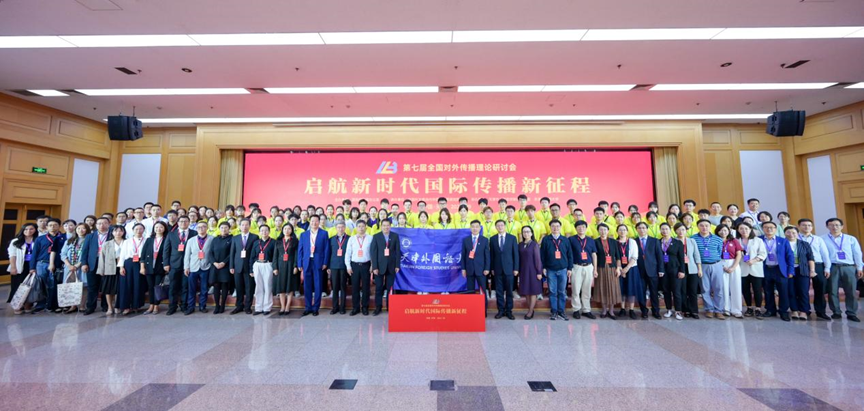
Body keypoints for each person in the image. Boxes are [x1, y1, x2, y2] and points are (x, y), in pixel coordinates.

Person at [822, 218, 863, 322]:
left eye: (837, 225)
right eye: (831, 225)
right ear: (827, 226)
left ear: (842, 226)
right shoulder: (822, 239)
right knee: (832, 290)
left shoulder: (850, 239)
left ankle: (851, 313)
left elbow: (857, 253)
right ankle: (836, 312)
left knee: (851, 291)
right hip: (832, 267)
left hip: (848, 267)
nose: (834, 227)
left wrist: (859, 267)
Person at [797, 218, 832, 320]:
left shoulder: (818, 239)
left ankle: (820, 311)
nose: (806, 227)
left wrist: (827, 268)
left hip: (818, 265)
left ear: (812, 227)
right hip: (801, 265)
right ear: (799, 226)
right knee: (802, 289)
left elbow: (825, 254)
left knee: (820, 288)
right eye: (804, 225)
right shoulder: (796, 238)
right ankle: (805, 310)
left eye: (809, 225)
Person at [761, 221, 795, 322]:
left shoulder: (783, 241)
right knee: (768, 291)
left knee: (783, 291)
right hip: (765, 268)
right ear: (763, 229)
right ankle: (770, 310)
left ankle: (783, 311)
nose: (769, 229)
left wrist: (790, 270)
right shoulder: (759, 240)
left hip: (780, 269)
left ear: (776, 229)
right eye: (766, 227)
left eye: (771, 227)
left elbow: (790, 256)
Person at [298, 215, 330, 316]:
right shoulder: (304, 234)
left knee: (318, 285)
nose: (314, 223)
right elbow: (300, 250)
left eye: (316, 221)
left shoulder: (324, 233)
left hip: (318, 262)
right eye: (312, 221)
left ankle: (316, 307)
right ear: (310, 222)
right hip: (307, 262)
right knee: (307, 285)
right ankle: (308, 307)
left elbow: (327, 249)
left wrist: (325, 262)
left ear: (319, 222)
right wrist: (299, 263)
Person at [693, 219, 725, 319]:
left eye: (706, 225)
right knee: (705, 288)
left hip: (716, 264)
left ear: (710, 227)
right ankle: (709, 309)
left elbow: (719, 252)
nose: (704, 228)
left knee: (718, 288)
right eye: (701, 225)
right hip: (702, 266)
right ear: (698, 227)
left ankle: (719, 310)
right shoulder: (693, 239)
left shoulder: (718, 239)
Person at [29, 217, 63, 313]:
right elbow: (34, 253)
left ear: (59, 226)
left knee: (54, 285)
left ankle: (52, 305)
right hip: (41, 264)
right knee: (41, 285)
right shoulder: (40, 239)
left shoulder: (63, 238)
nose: (53, 227)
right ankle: (41, 304)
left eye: (55, 225)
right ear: (47, 227)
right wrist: (32, 267)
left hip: (57, 264)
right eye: (50, 225)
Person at [163, 216, 195, 315]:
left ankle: (184, 305)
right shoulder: (171, 234)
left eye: (186, 221)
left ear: (189, 222)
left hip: (188, 264)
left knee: (185, 286)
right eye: (181, 221)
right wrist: (166, 263)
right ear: (178, 223)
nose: (183, 223)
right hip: (174, 264)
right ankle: (172, 306)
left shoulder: (194, 233)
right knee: (173, 286)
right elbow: (166, 249)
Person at [371, 219, 401, 316]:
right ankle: (378, 307)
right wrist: (374, 267)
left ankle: (390, 307)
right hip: (379, 267)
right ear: (381, 226)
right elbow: (373, 253)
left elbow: (398, 252)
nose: (386, 227)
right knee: (379, 288)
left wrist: (397, 265)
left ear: (390, 226)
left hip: (391, 266)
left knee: (390, 288)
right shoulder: (376, 236)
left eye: (387, 225)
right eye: (384, 225)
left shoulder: (395, 236)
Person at [635, 221, 664, 319]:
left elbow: (659, 256)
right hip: (639, 271)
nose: (642, 230)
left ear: (647, 229)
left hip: (653, 270)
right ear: (636, 229)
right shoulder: (634, 241)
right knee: (641, 292)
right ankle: (644, 311)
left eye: (644, 228)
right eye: (639, 228)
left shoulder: (655, 241)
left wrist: (661, 269)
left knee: (654, 292)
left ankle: (656, 311)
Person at [80, 217, 110, 315]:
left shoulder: (112, 235)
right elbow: (84, 251)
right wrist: (84, 263)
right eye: (99, 223)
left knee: (105, 285)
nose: (102, 225)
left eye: (104, 223)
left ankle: (105, 305)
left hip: (107, 262)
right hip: (92, 263)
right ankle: (90, 307)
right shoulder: (90, 236)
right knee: (92, 286)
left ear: (108, 224)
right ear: (96, 225)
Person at [784, 226, 815, 320]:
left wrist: (812, 270)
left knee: (803, 291)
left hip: (802, 270)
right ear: (785, 234)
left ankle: (803, 311)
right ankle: (794, 310)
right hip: (788, 270)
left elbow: (810, 258)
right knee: (791, 291)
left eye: (793, 232)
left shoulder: (804, 244)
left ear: (797, 234)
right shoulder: (782, 243)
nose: (791, 234)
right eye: (788, 232)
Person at [737, 222, 767, 318]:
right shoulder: (736, 241)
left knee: (757, 289)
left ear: (750, 229)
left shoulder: (758, 240)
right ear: (738, 230)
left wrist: (754, 260)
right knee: (745, 290)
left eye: (746, 228)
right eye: (741, 228)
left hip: (756, 268)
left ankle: (758, 308)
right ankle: (749, 308)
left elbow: (763, 253)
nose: (744, 230)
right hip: (742, 269)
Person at [490, 220, 519, 320]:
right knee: (499, 291)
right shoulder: (492, 239)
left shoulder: (512, 238)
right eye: (498, 225)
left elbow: (515, 254)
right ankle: (501, 310)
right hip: (497, 269)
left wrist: (516, 268)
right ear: (496, 227)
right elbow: (492, 255)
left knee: (509, 291)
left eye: (502, 225)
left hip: (510, 269)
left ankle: (509, 311)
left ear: (505, 226)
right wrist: (492, 268)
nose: (500, 227)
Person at [569, 220, 597, 319]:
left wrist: (595, 269)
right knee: (576, 289)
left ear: (586, 228)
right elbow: (569, 254)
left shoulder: (591, 240)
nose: (581, 229)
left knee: (587, 290)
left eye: (583, 227)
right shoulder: (571, 239)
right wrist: (569, 268)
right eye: (579, 227)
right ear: (576, 228)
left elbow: (594, 254)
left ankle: (586, 310)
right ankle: (576, 309)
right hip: (576, 266)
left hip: (589, 267)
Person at [229, 218, 258, 315]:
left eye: (246, 225)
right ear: (239, 226)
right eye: (242, 225)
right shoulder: (235, 238)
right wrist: (231, 266)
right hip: (237, 266)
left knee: (249, 288)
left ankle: (248, 307)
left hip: (249, 266)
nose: (244, 227)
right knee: (238, 287)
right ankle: (239, 306)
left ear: (249, 226)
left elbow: (255, 253)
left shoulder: (255, 237)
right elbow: (232, 253)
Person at [59, 222, 89, 314]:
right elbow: (63, 254)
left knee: (83, 286)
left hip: (82, 267)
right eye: (78, 228)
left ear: (87, 230)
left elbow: (88, 255)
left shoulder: (89, 240)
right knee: (71, 286)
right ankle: (73, 306)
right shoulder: (69, 240)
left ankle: (82, 305)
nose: (80, 230)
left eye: (83, 228)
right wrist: (69, 265)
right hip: (69, 267)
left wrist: (77, 265)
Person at [6, 223, 37, 314]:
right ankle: (17, 306)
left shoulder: (37, 239)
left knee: (31, 286)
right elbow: (12, 255)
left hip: (32, 265)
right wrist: (13, 267)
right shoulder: (16, 241)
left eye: (31, 229)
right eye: (26, 229)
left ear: (35, 230)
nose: (28, 231)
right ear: (22, 230)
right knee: (17, 286)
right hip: (19, 265)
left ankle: (28, 305)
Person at [184, 222, 214, 315]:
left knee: (204, 288)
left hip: (206, 267)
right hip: (193, 267)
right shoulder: (191, 240)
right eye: (199, 227)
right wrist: (186, 267)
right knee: (191, 288)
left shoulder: (212, 239)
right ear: (196, 229)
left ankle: (202, 306)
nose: (201, 228)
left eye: (204, 227)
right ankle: (191, 307)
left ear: (207, 228)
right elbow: (187, 255)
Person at [461, 220, 490, 315]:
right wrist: (463, 268)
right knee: (470, 290)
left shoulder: (484, 240)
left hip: (481, 270)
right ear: (470, 228)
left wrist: (487, 268)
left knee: (482, 291)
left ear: (480, 228)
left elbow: (487, 255)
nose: (475, 228)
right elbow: (463, 255)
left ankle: (483, 311)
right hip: (469, 269)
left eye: (477, 226)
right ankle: (471, 311)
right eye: (473, 226)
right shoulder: (466, 240)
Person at [593, 224, 622, 319]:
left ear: (608, 231)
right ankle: (604, 310)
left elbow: (618, 256)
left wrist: (618, 268)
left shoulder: (614, 242)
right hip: (601, 267)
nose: (603, 231)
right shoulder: (595, 242)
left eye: (605, 229)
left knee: (612, 288)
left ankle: (611, 311)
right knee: (602, 288)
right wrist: (595, 269)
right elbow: (594, 256)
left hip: (612, 268)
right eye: (601, 230)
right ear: (598, 231)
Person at [117, 223, 147, 315]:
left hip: (141, 263)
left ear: (143, 230)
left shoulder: (146, 240)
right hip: (128, 263)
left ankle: (136, 306)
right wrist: (121, 267)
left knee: (138, 285)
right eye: (136, 229)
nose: (138, 231)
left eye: (141, 229)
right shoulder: (127, 241)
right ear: (133, 230)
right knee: (126, 285)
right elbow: (122, 255)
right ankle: (125, 306)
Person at [97, 225, 126, 315]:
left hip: (123, 268)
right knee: (108, 289)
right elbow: (102, 258)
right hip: (109, 268)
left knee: (119, 289)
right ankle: (110, 307)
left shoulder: (127, 242)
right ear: (112, 232)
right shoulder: (107, 243)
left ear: (123, 232)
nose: (118, 233)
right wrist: (101, 270)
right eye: (115, 231)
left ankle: (117, 306)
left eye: (120, 231)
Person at [658, 223, 685, 320]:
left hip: (675, 269)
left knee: (676, 291)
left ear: (670, 230)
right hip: (663, 270)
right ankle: (668, 309)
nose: (664, 231)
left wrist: (682, 271)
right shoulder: (658, 242)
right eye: (662, 229)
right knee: (666, 291)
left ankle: (678, 311)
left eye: (666, 229)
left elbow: (681, 258)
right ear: (660, 230)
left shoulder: (677, 242)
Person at [140, 221, 168, 315]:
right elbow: (143, 254)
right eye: (156, 227)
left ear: (164, 228)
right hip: (149, 267)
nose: (158, 229)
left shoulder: (166, 239)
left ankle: (156, 305)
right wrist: (142, 267)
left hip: (160, 267)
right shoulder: (149, 240)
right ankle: (151, 305)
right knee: (150, 287)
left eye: (161, 227)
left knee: (157, 287)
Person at [346, 220, 373, 316]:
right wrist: (348, 266)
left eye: (363, 226)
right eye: (359, 226)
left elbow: (373, 253)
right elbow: (348, 253)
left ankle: (365, 307)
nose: (361, 228)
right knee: (355, 287)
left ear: (366, 227)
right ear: (356, 228)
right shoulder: (352, 239)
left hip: (366, 265)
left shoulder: (370, 238)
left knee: (366, 287)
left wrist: (372, 265)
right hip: (355, 266)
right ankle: (355, 308)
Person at [717, 225, 744, 318]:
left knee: (736, 286)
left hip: (733, 263)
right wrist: (722, 266)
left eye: (725, 230)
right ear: (717, 231)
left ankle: (736, 310)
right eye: (721, 230)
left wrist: (733, 267)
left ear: (728, 231)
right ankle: (725, 309)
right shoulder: (715, 240)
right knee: (723, 287)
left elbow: (739, 254)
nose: (723, 232)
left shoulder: (734, 240)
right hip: (720, 264)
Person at [616, 224, 642, 319]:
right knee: (621, 288)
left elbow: (635, 256)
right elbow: (615, 256)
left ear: (627, 231)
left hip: (631, 268)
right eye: (620, 230)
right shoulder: (615, 242)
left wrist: (626, 269)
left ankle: (631, 310)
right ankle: (622, 308)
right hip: (619, 269)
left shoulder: (632, 242)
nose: (622, 231)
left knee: (632, 288)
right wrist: (620, 268)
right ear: (617, 231)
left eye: (624, 230)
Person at [677, 223, 702, 319]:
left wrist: (699, 268)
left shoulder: (692, 241)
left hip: (692, 268)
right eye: (678, 229)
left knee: (693, 290)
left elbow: (696, 255)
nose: (681, 231)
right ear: (675, 231)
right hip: (680, 269)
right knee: (683, 290)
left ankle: (694, 311)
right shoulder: (674, 241)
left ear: (686, 231)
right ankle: (685, 310)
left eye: (683, 229)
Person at [249, 225, 274, 315]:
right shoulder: (256, 242)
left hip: (268, 265)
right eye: (262, 230)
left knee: (267, 286)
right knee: (258, 287)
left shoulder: (273, 242)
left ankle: (267, 308)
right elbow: (252, 256)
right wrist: (251, 270)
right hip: (257, 265)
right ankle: (258, 307)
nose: (264, 232)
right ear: (259, 232)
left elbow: (275, 256)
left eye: (266, 230)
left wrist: (275, 268)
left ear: (269, 231)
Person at [208, 221, 233, 314]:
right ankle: (217, 306)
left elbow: (231, 253)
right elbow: (210, 252)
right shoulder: (215, 239)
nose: (224, 229)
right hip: (215, 266)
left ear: (229, 229)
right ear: (219, 229)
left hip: (225, 266)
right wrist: (214, 263)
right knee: (216, 286)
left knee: (224, 286)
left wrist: (223, 262)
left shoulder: (232, 239)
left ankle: (222, 305)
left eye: (226, 227)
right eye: (222, 227)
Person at [518, 225, 543, 319]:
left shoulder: (534, 244)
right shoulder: (520, 244)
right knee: (526, 291)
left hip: (533, 270)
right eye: (524, 232)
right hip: (523, 270)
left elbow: (538, 259)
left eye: (528, 232)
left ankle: (530, 311)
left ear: (531, 233)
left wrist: (539, 272)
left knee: (533, 291)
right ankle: (530, 309)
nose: (526, 233)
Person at [329, 221, 351, 314]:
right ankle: (335, 307)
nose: (340, 229)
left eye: (342, 227)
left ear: (345, 228)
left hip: (344, 266)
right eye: (338, 227)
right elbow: (329, 253)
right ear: (336, 228)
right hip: (334, 266)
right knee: (334, 287)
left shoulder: (349, 239)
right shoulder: (331, 239)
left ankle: (342, 307)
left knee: (343, 287)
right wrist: (328, 266)